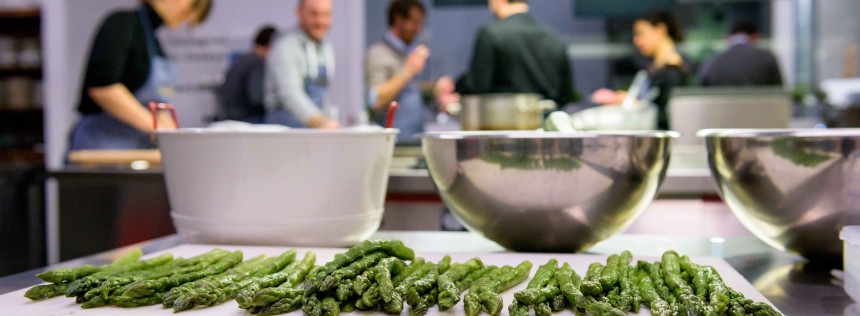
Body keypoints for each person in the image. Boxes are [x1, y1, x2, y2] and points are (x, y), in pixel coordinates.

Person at [68, 0, 212, 151]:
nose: (188, 16)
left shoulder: (154, 42)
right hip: (100, 147)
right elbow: (103, 88)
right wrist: (157, 127)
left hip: (136, 148)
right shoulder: (123, 23)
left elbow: (156, 104)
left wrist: (169, 131)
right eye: (192, 5)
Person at [455, 0, 574, 106]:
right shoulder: (553, 37)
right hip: (545, 124)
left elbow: (477, 86)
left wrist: (456, 88)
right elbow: (566, 93)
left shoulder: (491, 34)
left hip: (503, 123)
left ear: (498, 2)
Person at [591, 10, 687, 130]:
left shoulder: (673, 73)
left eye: (641, 34)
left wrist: (627, 101)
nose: (636, 40)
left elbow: (662, 116)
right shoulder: (653, 70)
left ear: (660, 30)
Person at [264, 0, 339, 129]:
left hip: (314, 131)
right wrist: (319, 121)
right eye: (314, 14)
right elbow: (290, 94)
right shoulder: (285, 46)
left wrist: (326, 120)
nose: (320, 21)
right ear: (300, 13)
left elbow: (323, 95)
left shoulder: (326, 47)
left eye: (326, 15)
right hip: (285, 132)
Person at [365, 0, 430, 141]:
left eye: (420, 23)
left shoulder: (407, 52)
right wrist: (408, 71)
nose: (418, 29)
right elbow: (374, 99)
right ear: (398, 20)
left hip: (415, 140)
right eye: (414, 22)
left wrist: (436, 91)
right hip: (394, 144)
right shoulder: (378, 53)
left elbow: (409, 92)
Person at [216, 26, 278, 124]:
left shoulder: (242, 60)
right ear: (271, 47)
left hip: (230, 118)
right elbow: (257, 98)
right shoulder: (258, 63)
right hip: (247, 119)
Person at [698, 22, 783, 87]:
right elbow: (778, 92)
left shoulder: (712, 60)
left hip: (718, 109)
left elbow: (702, 91)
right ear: (755, 37)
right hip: (758, 108)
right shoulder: (767, 58)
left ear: (728, 38)